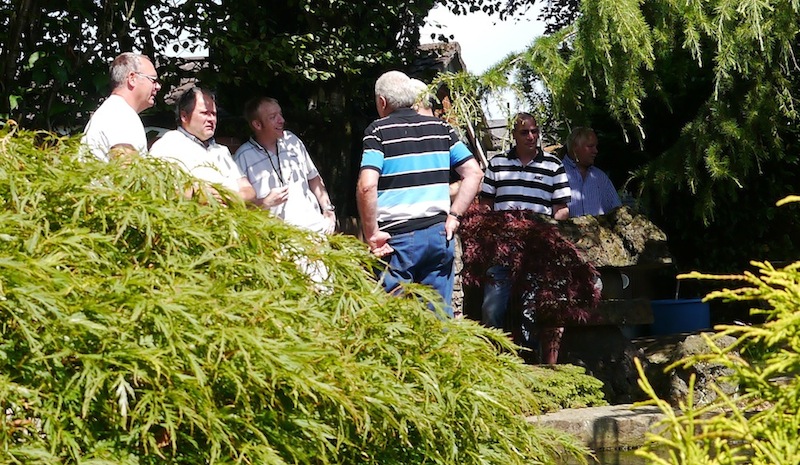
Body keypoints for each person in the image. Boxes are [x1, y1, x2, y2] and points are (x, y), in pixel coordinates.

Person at [357, 70, 484, 317]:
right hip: (439, 236)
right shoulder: (441, 128)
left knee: (395, 320)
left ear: (382, 102)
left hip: (397, 240)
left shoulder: (378, 132)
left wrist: (372, 233)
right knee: (439, 321)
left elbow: (367, 185)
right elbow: (474, 173)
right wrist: (454, 216)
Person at [479, 112, 571, 335]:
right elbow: (485, 204)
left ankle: (531, 363)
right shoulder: (498, 164)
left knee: (531, 313)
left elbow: (562, 209)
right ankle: (494, 360)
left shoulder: (553, 166)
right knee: (491, 309)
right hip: (502, 249)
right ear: (514, 135)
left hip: (537, 250)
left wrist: (549, 234)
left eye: (534, 131)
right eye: (524, 132)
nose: (531, 136)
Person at [234, 97, 335, 235]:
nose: (281, 120)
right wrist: (265, 203)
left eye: (280, 114)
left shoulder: (292, 141)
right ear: (257, 125)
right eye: (273, 117)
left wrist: (328, 209)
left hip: (315, 231)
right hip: (278, 240)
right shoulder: (243, 156)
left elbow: (314, 178)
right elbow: (240, 207)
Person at [148, 87, 256, 203]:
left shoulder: (221, 151)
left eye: (213, 114)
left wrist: (230, 197)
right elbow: (160, 189)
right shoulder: (168, 145)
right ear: (184, 116)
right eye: (204, 113)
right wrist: (202, 194)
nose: (211, 119)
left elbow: (248, 190)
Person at [81, 52, 161, 161]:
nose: (158, 86)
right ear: (132, 78)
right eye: (153, 80)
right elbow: (126, 171)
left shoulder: (114, 110)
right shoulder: (121, 115)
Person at [562, 127, 622, 217]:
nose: (595, 151)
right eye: (590, 146)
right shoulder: (557, 173)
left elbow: (617, 212)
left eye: (596, 146)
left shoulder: (600, 177)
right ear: (575, 147)